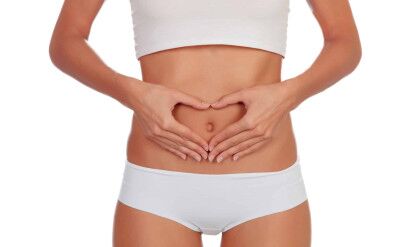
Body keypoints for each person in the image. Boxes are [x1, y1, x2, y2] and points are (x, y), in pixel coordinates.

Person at [49, 0, 361, 246]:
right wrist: (132, 93)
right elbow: (66, 40)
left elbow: (344, 41)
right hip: (158, 185)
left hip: (266, 185)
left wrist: (288, 95)